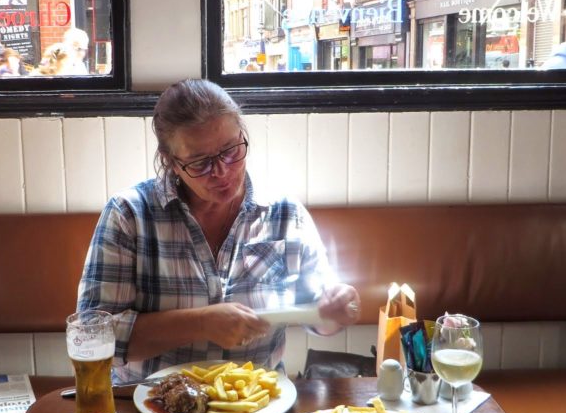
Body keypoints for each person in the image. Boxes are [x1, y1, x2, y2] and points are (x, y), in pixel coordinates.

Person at [76, 79, 361, 383]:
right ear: (171, 162)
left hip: (257, 402)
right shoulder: (129, 216)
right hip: (150, 404)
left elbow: (319, 313)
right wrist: (199, 323)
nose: (222, 172)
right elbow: (92, 336)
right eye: (200, 163)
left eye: (231, 150)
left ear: (242, 135)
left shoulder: (284, 214)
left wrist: (336, 309)